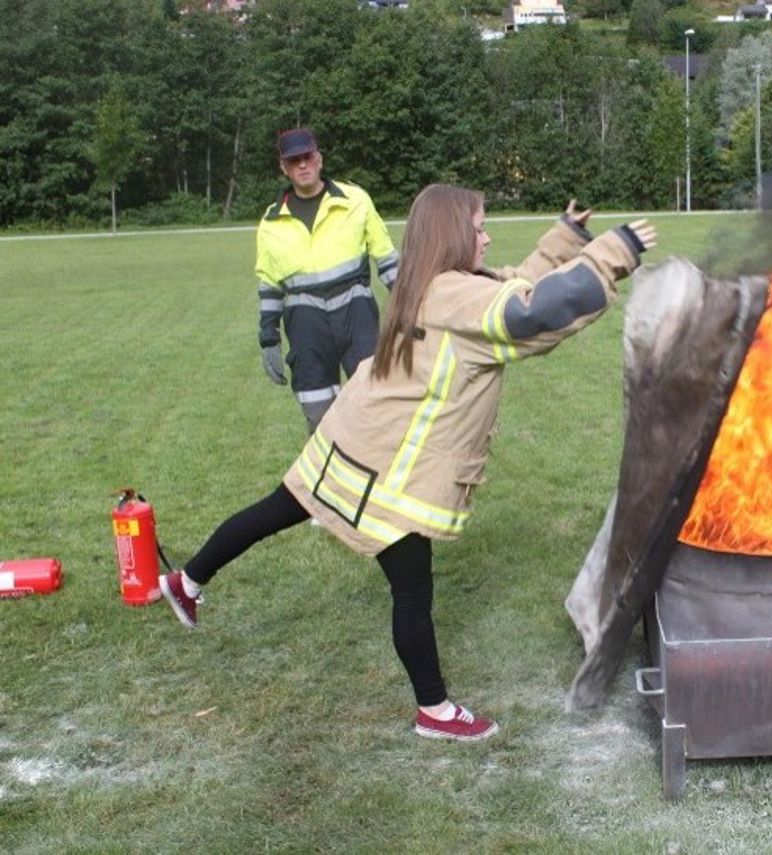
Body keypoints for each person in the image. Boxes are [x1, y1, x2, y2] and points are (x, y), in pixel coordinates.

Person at [161, 184, 657, 741]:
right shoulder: (453, 298)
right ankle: (435, 711)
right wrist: (612, 253)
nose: (488, 235)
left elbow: (512, 283)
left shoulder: (435, 283)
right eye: (479, 227)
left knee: (278, 508)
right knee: (412, 592)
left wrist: (566, 237)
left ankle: (186, 581)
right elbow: (534, 312)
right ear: (452, 237)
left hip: (352, 438)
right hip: (384, 470)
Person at [257, 127, 400, 433]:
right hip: (305, 325)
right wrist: (269, 338)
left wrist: (412, 309)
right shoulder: (271, 222)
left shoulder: (356, 200)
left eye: (307, 157)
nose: (303, 165)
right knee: (319, 416)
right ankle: (329, 479)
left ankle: (383, 478)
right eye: (294, 161)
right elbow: (269, 285)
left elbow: (387, 259)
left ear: (319, 159)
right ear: (284, 168)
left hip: (356, 314)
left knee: (377, 407)